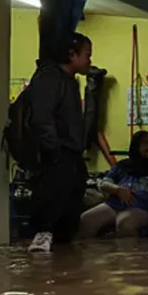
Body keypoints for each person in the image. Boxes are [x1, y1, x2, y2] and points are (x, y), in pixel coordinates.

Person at [27, 33, 92, 254]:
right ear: (71, 54)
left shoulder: (70, 81)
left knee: (72, 198)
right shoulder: (49, 78)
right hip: (58, 150)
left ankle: (64, 246)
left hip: (71, 150)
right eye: (87, 55)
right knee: (52, 197)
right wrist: (53, 148)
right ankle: (42, 236)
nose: (89, 60)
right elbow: (42, 117)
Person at [78, 130, 148, 238]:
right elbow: (103, 183)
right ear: (136, 146)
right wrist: (118, 190)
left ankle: (126, 252)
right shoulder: (123, 165)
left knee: (124, 223)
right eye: (145, 142)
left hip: (142, 208)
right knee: (86, 220)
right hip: (115, 204)